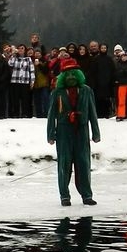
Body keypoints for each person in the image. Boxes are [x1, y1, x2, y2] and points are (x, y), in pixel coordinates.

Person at [46, 58, 101, 206]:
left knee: (83, 163)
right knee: (64, 163)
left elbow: (92, 113)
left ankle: (86, 195)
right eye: (67, 74)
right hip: (64, 132)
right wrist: (50, 134)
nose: (71, 77)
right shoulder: (57, 92)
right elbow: (51, 115)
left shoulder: (86, 91)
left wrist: (96, 133)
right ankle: (64, 196)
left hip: (82, 131)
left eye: (73, 74)